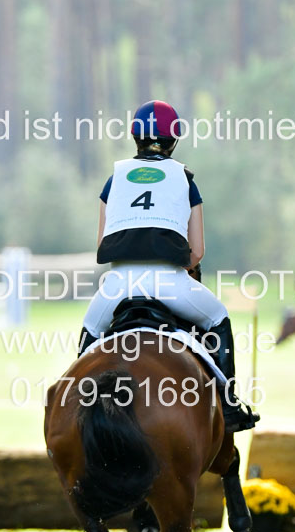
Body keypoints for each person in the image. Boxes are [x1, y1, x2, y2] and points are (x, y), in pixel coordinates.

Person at [79, 99, 256, 432]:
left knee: (88, 338)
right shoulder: (185, 180)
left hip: (117, 286)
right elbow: (197, 252)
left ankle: (75, 410)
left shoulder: (114, 179)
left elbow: (102, 243)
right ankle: (229, 405)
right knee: (219, 317)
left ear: (136, 137)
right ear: (173, 140)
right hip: (170, 283)